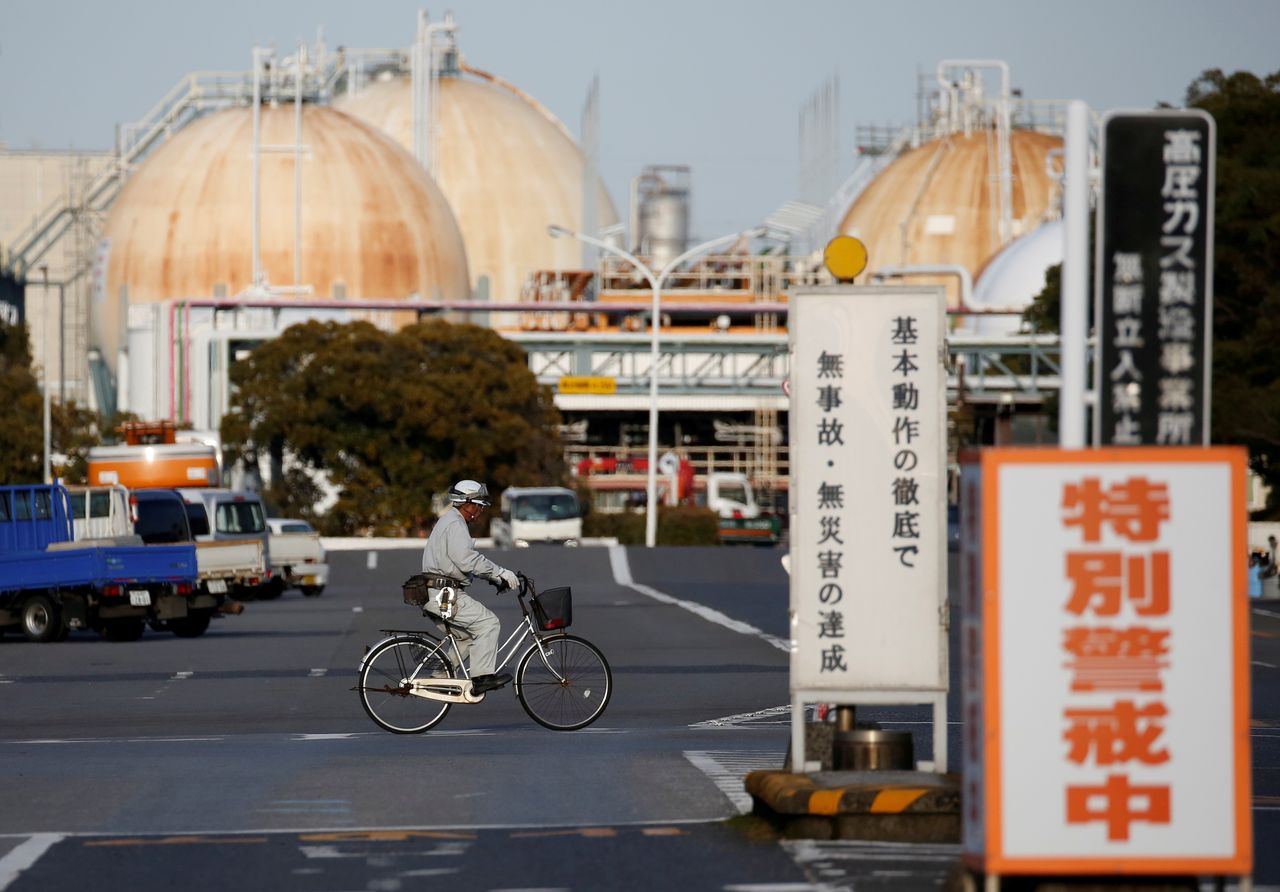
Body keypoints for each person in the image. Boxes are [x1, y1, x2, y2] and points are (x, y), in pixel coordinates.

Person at [420, 480, 521, 694]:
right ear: (467, 503)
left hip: (438, 591)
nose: (481, 509)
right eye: (479, 504)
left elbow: (460, 562)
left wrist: (492, 579)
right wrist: (499, 573)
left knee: (465, 636)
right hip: (444, 594)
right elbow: (467, 560)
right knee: (488, 623)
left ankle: (439, 677)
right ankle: (482, 678)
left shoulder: (449, 521)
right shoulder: (455, 524)